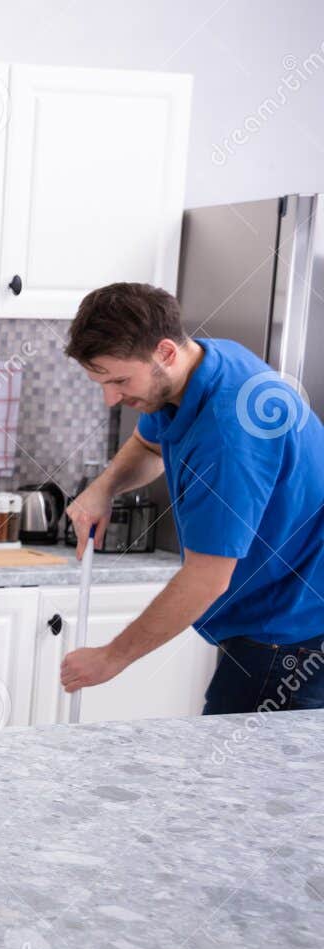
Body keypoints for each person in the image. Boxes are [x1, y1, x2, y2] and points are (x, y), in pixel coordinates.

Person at [60, 281, 324, 715]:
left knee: (237, 760)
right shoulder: (204, 363)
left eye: (120, 381)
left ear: (165, 352)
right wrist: (102, 489)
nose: (111, 399)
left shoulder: (228, 435)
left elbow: (206, 579)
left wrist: (110, 658)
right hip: (275, 615)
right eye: (101, 382)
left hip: (294, 634)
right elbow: (149, 446)